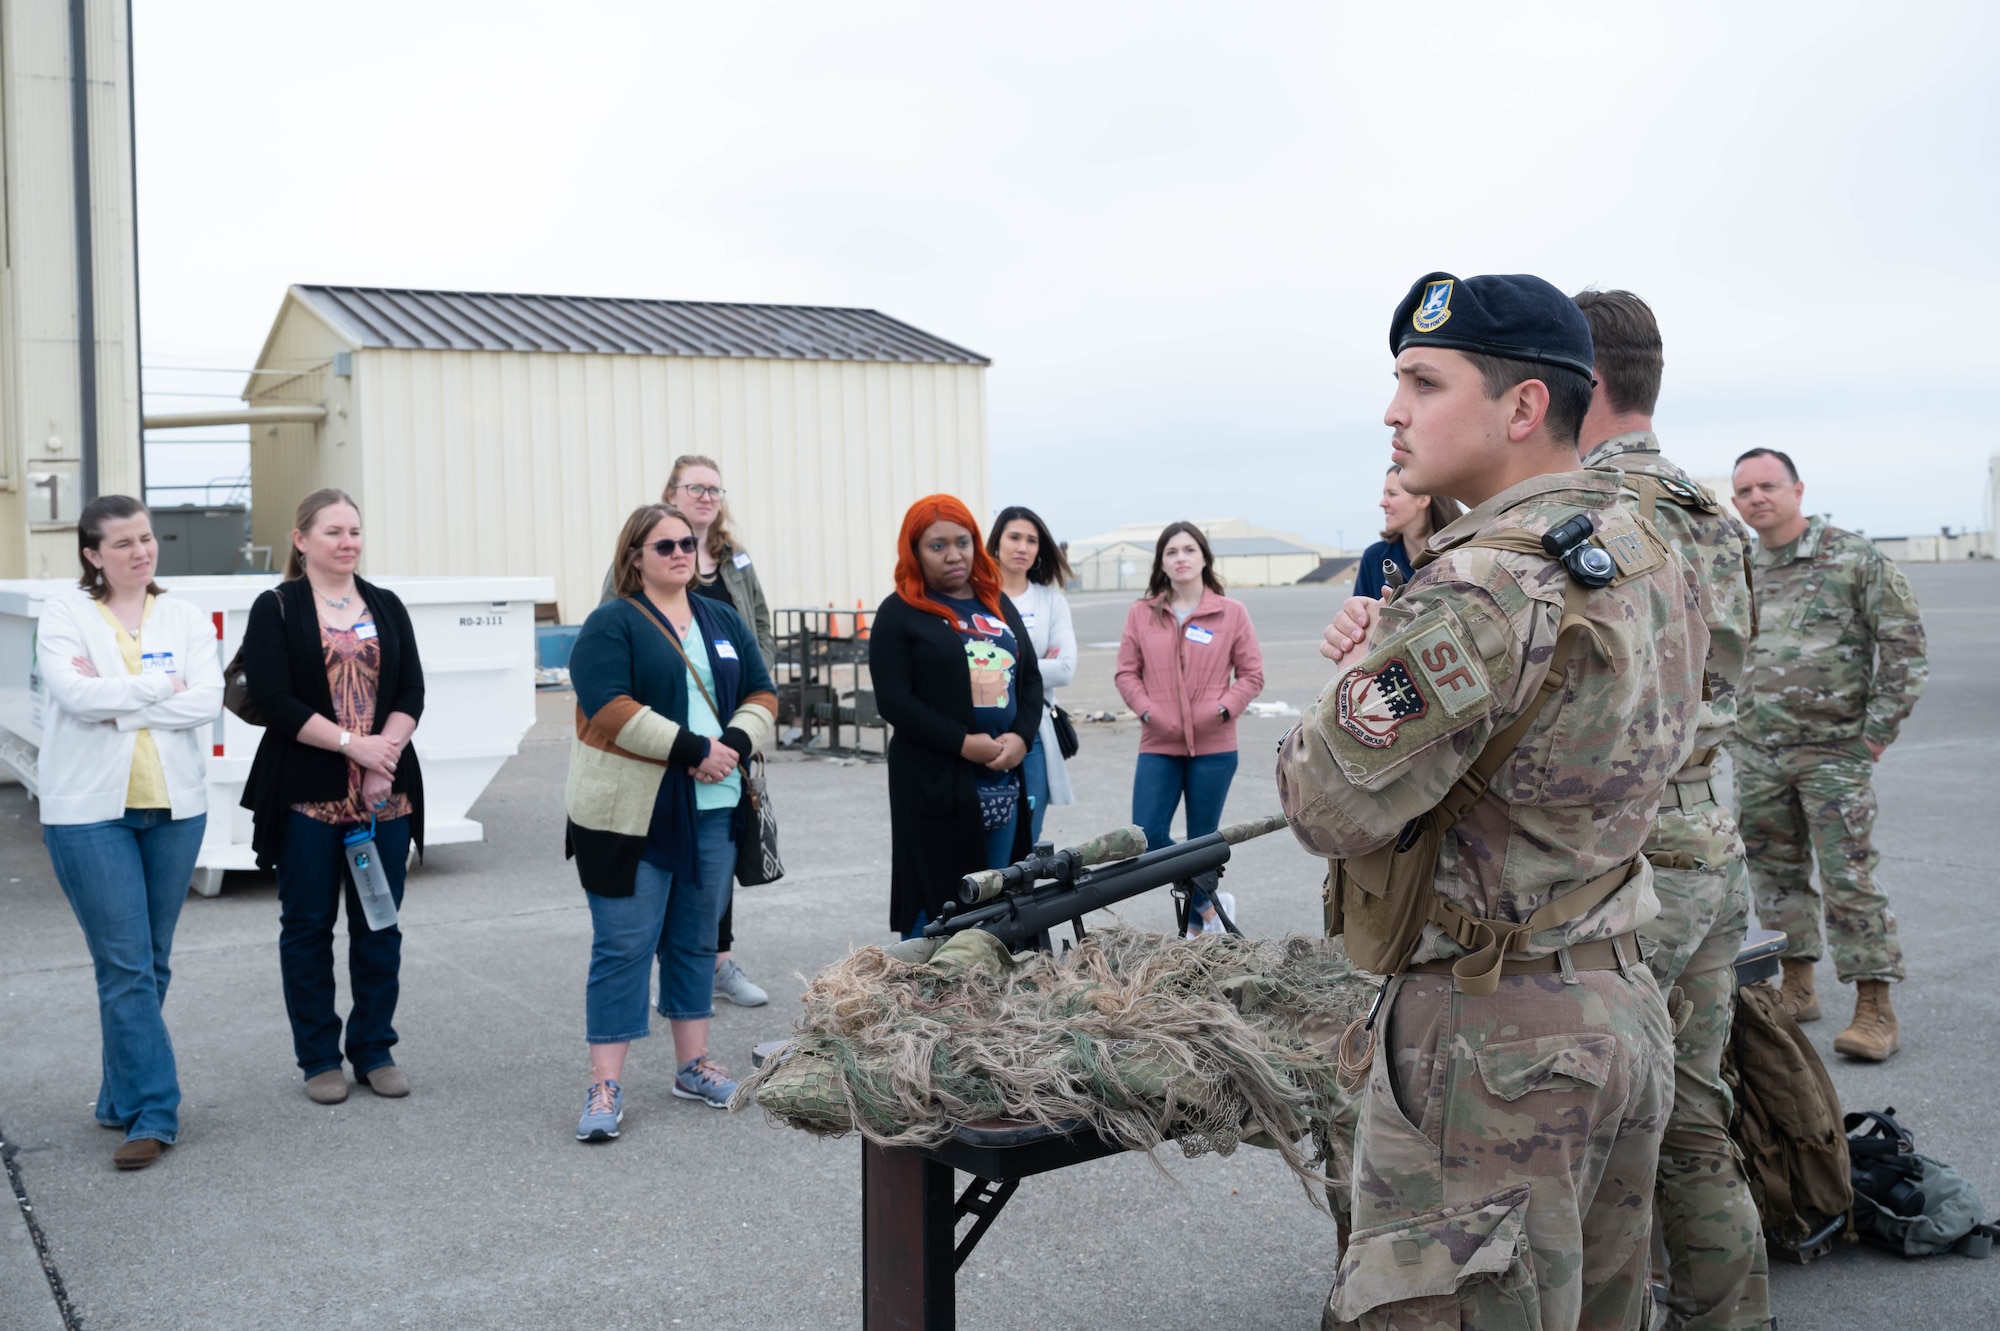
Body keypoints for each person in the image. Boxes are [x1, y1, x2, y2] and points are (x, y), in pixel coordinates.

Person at [1289, 272, 1700, 1330]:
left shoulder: (1477, 587)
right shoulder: (1646, 550)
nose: (1392, 411)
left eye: (1423, 382)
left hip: (1490, 1038)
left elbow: (1323, 801)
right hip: (1614, 1004)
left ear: (1521, 407)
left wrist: (1354, 670)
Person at [1576, 288, 1768, 1331]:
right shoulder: (1709, 513)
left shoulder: (1596, 518)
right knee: (1696, 1120)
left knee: (1601, 1137)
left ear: (1582, 380)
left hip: (1633, 865)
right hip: (1709, 843)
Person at [567, 503, 778, 1141]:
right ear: (634, 557)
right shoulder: (612, 623)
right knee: (623, 947)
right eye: (664, 546)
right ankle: (604, 1084)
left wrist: (735, 746)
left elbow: (763, 693)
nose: (681, 553)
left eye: (687, 543)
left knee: (694, 942)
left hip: (713, 813)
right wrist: (695, 749)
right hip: (630, 816)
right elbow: (607, 705)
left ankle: (694, 1065)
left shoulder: (720, 618)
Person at [35, 496, 224, 1170]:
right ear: (92, 553)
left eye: (146, 539)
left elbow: (207, 698)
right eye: (122, 544)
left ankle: (119, 1094)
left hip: (174, 808)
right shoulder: (65, 613)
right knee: (126, 965)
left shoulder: (185, 614)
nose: (140, 552)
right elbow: (73, 695)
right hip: (89, 813)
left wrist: (120, 697)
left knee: (152, 960)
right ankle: (156, 1110)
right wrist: (159, 686)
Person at [1730, 447, 1927, 1061]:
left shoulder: (1852, 557)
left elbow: (1903, 646)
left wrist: (1875, 733)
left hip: (1834, 751)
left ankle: (1875, 1007)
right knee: (1775, 876)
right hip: (1757, 750)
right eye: (1744, 491)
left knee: (1849, 877)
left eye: (1768, 485)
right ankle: (1797, 986)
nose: (1757, 497)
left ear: (1797, 489)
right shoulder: (1739, 568)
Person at [242, 489, 426, 1106]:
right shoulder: (277, 607)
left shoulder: (386, 604)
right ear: (301, 540)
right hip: (307, 796)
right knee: (307, 928)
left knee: (379, 926)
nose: (347, 542)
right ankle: (319, 1056)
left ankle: (374, 1048)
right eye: (332, 532)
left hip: (385, 797)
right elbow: (272, 699)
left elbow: (411, 692)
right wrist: (355, 746)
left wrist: (385, 757)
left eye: (354, 531)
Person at [600, 454, 775, 1009]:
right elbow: (614, 651)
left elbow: (761, 626)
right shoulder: (642, 559)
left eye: (716, 489)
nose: (707, 497)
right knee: (663, 865)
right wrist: (680, 739)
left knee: (720, 858)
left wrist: (752, 693)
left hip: (731, 733)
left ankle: (715, 962)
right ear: (671, 494)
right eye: (695, 487)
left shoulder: (734, 559)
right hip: (663, 741)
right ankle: (673, 966)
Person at [869, 494, 1043, 940]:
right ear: (914, 552)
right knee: (940, 901)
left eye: (962, 542)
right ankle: (923, 996)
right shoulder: (899, 612)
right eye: (937, 546)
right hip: (935, 783)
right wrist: (962, 743)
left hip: (1000, 779)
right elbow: (895, 701)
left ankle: (982, 995)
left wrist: (1021, 738)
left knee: (994, 895)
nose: (954, 555)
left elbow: (1029, 680)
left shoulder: (995, 602)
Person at [1113, 522, 1264, 934]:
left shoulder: (1230, 613)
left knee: (1202, 842)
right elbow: (1127, 673)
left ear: (1203, 558)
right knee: (1146, 835)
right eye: (1171, 552)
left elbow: (1251, 675)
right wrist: (1148, 712)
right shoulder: (1142, 613)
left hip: (1215, 746)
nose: (1180, 558)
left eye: (1189, 550)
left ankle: (1197, 924)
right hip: (1158, 742)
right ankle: (1210, 909)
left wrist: (1220, 710)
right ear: (1162, 563)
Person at [987, 505, 1077, 843]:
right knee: (989, 836)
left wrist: (1001, 663)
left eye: (1031, 540)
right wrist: (1035, 664)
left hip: (1034, 731)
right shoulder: (978, 598)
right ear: (996, 542)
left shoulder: (1051, 602)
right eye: (1014, 537)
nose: (1022, 547)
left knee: (1027, 836)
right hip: (983, 730)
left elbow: (1065, 669)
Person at [1351, 466, 1463, 599]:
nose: (1382, 503)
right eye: (1384, 494)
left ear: (1423, 499)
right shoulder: (1375, 557)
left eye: (1392, 493)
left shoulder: (1465, 553)